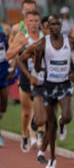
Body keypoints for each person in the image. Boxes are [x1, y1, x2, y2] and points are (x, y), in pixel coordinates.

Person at [31, 15, 74, 168]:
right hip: (49, 86)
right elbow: (37, 66)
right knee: (50, 124)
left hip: (65, 84)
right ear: (48, 26)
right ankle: (52, 157)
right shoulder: (43, 42)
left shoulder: (70, 40)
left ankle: (63, 123)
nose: (55, 26)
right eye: (52, 24)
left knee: (67, 117)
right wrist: (39, 58)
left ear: (61, 25)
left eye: (57, 24)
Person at [6, 9, 45, 152]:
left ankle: (40, 135)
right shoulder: (21, 36)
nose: (33, 24)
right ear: (26, 23)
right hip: (25, 76)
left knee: (40, 107)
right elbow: (8, 55)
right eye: (30, 21)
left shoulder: (44, 36)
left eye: (36, 21)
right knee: (27, 111)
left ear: (39, 23)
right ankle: (24, 134)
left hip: (41, 77)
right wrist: (21, 47)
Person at [0, 30, 17, 147]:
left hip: (3, 72)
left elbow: (12, 52)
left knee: (3, 106)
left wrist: (12, 68)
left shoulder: (4, 37)